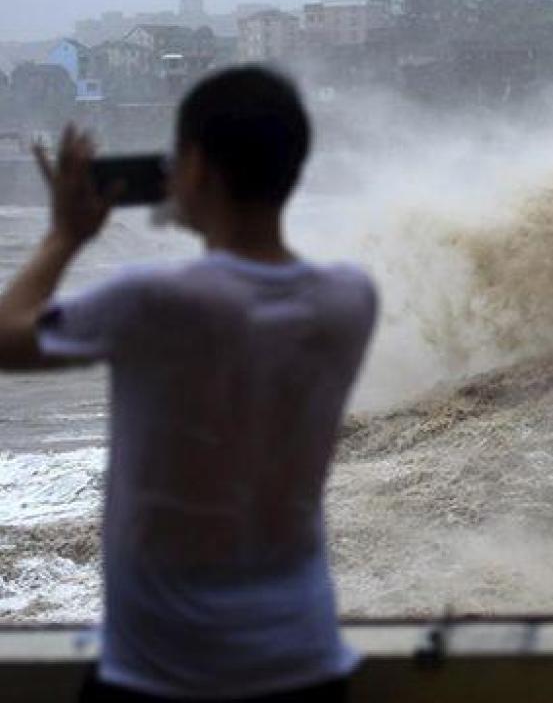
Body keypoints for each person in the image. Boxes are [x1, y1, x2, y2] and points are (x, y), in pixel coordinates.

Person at [0, 67, 377, 701]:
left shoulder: (152, 301)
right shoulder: (349, 299)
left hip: (161, 677)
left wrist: (65, 234)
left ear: (195, 166)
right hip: (305, 666)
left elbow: (7, 339)